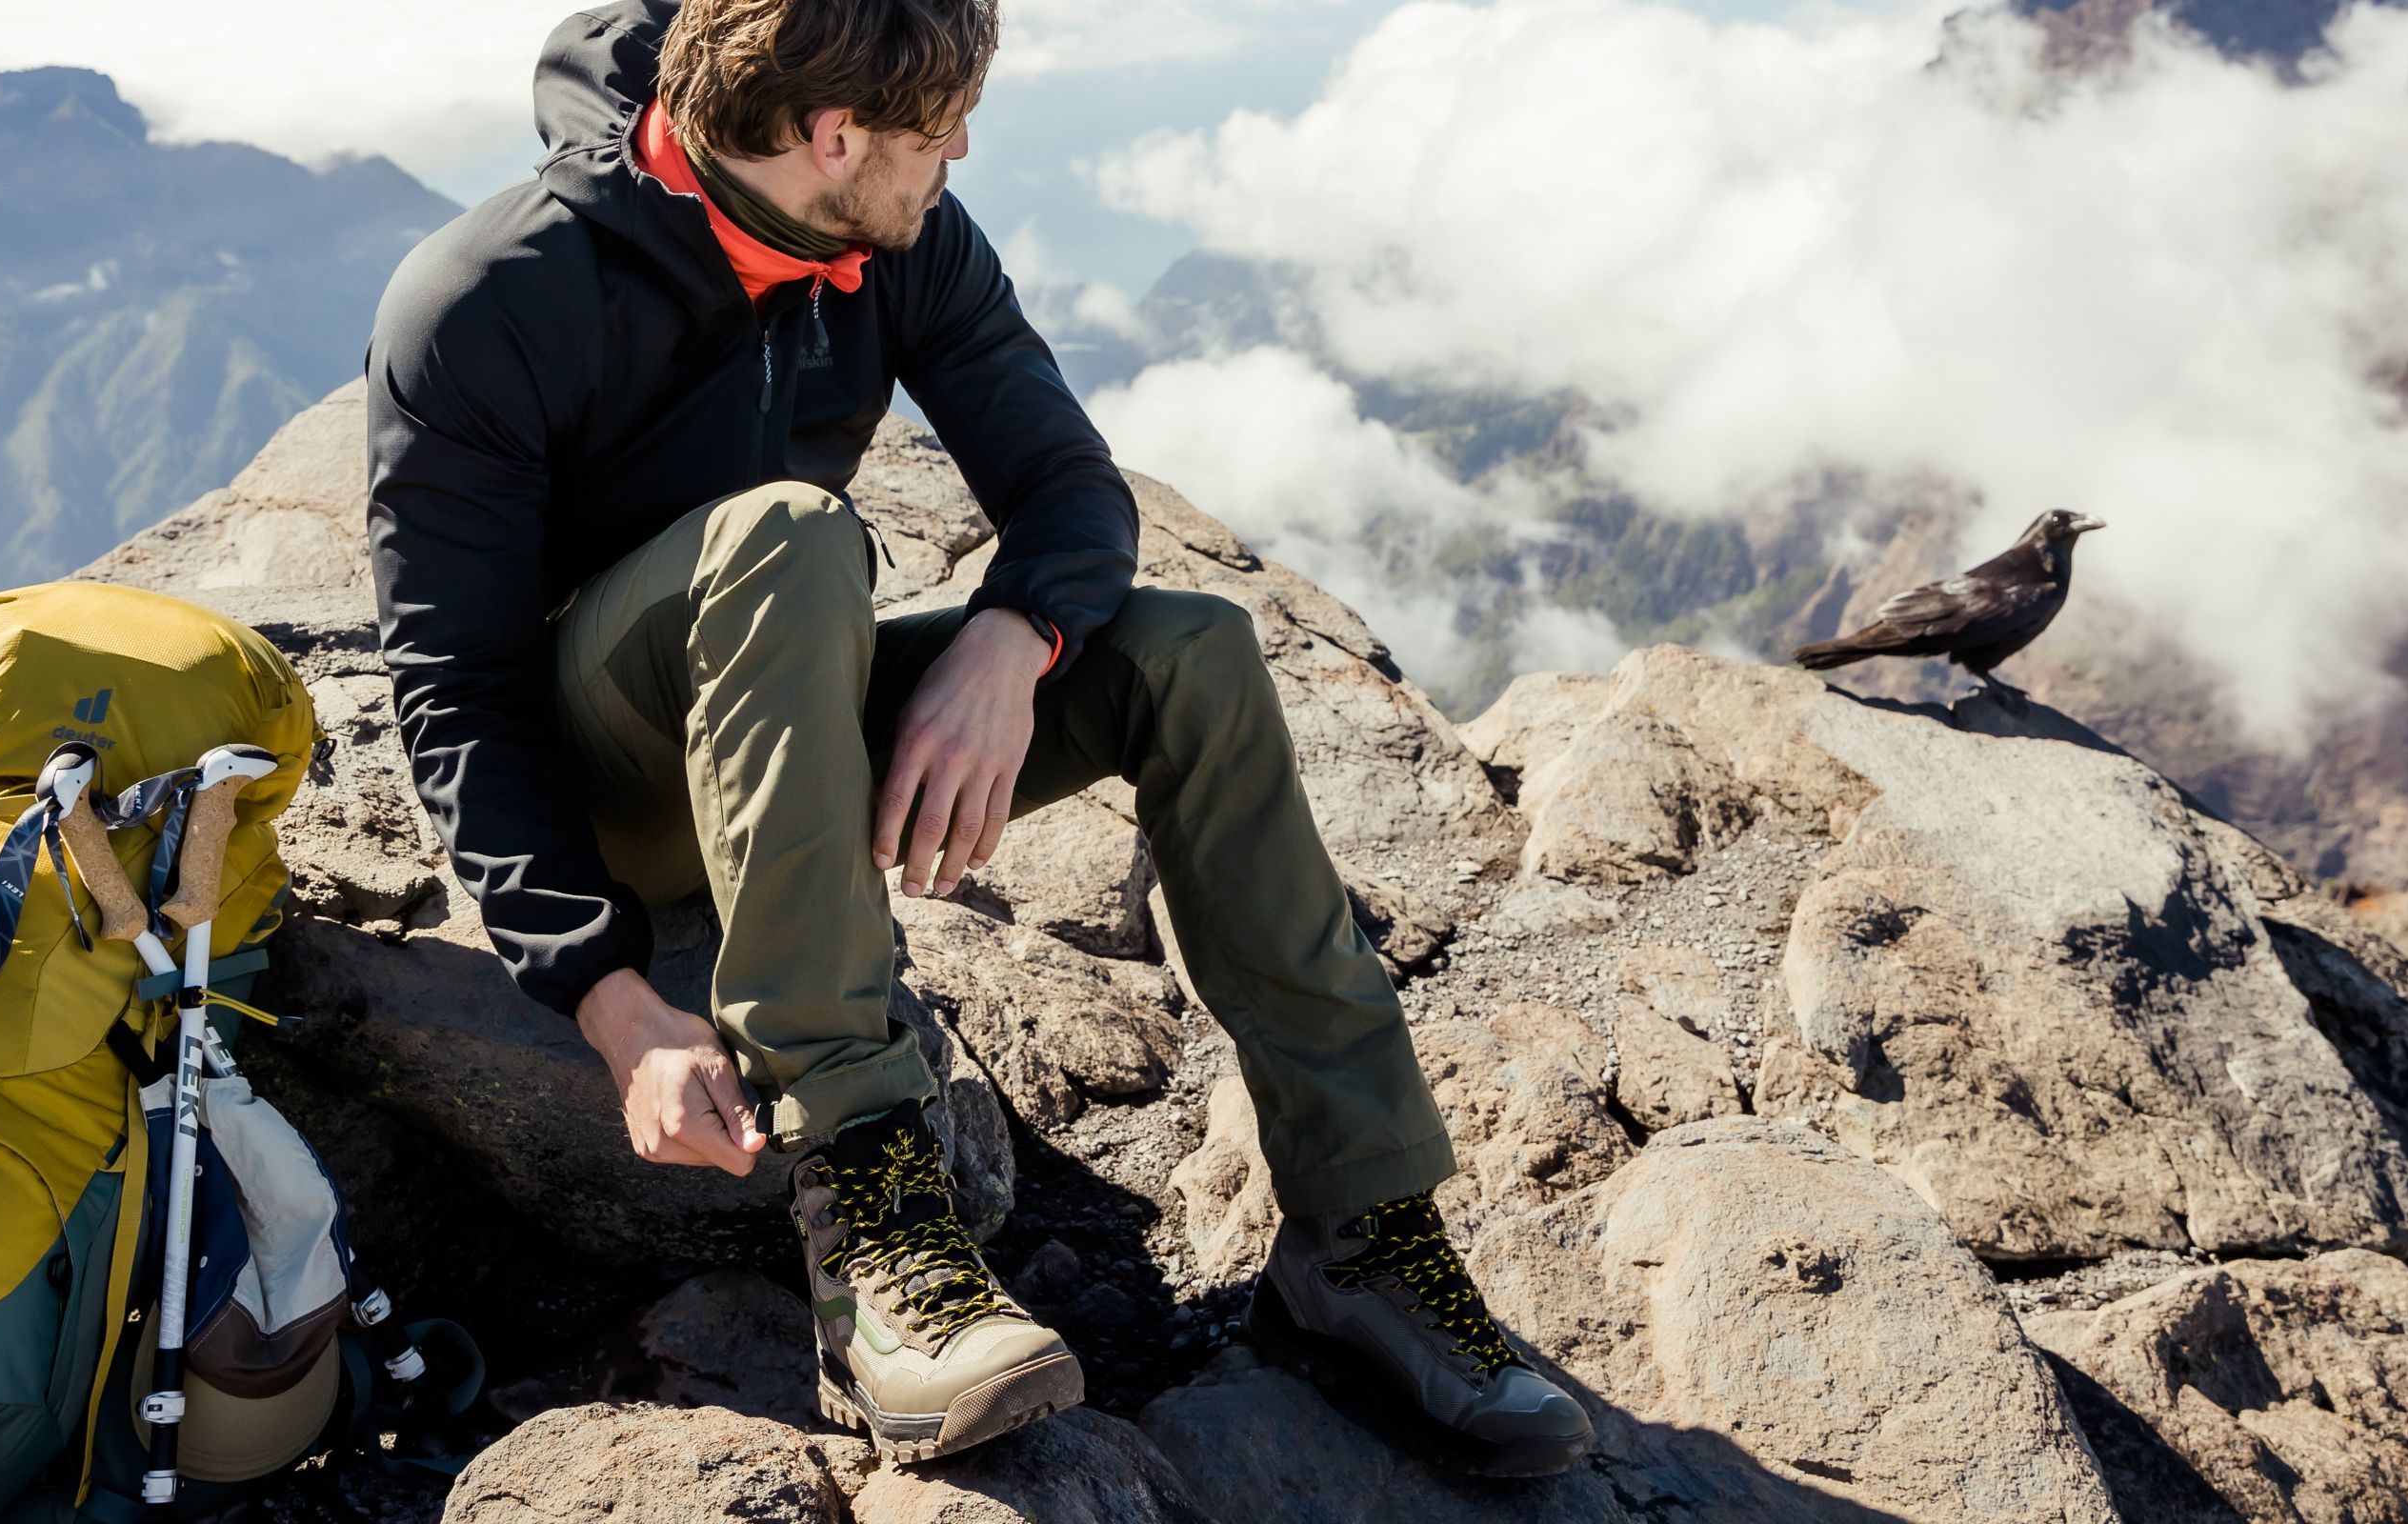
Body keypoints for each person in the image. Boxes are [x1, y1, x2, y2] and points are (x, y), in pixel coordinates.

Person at [363, 0, 1592, 1474]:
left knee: (1187, 654)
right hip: (614, 778)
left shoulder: (899, 240)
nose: (962, 152)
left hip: (789, 708)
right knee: (791, 537)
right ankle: (875, 1221)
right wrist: (608, 997)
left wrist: (1016, 641)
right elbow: (454, 694)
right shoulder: (493, 296)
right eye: (939, 130)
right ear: (832, 138)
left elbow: (1069, 483)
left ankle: (1362, 1227)